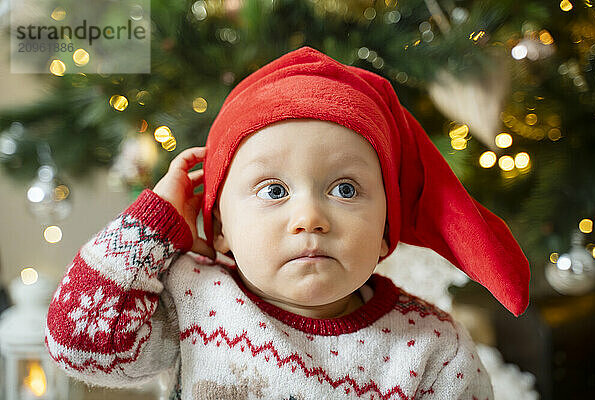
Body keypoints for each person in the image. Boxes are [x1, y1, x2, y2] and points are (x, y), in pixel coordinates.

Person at [45, 46, 530, 399]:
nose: (310, 218)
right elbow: (79, 345)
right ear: (220, 231)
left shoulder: (432, 347)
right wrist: (152, 223)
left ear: (387, 229)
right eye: (273, 191)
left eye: (345, 189)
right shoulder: (193, 299)